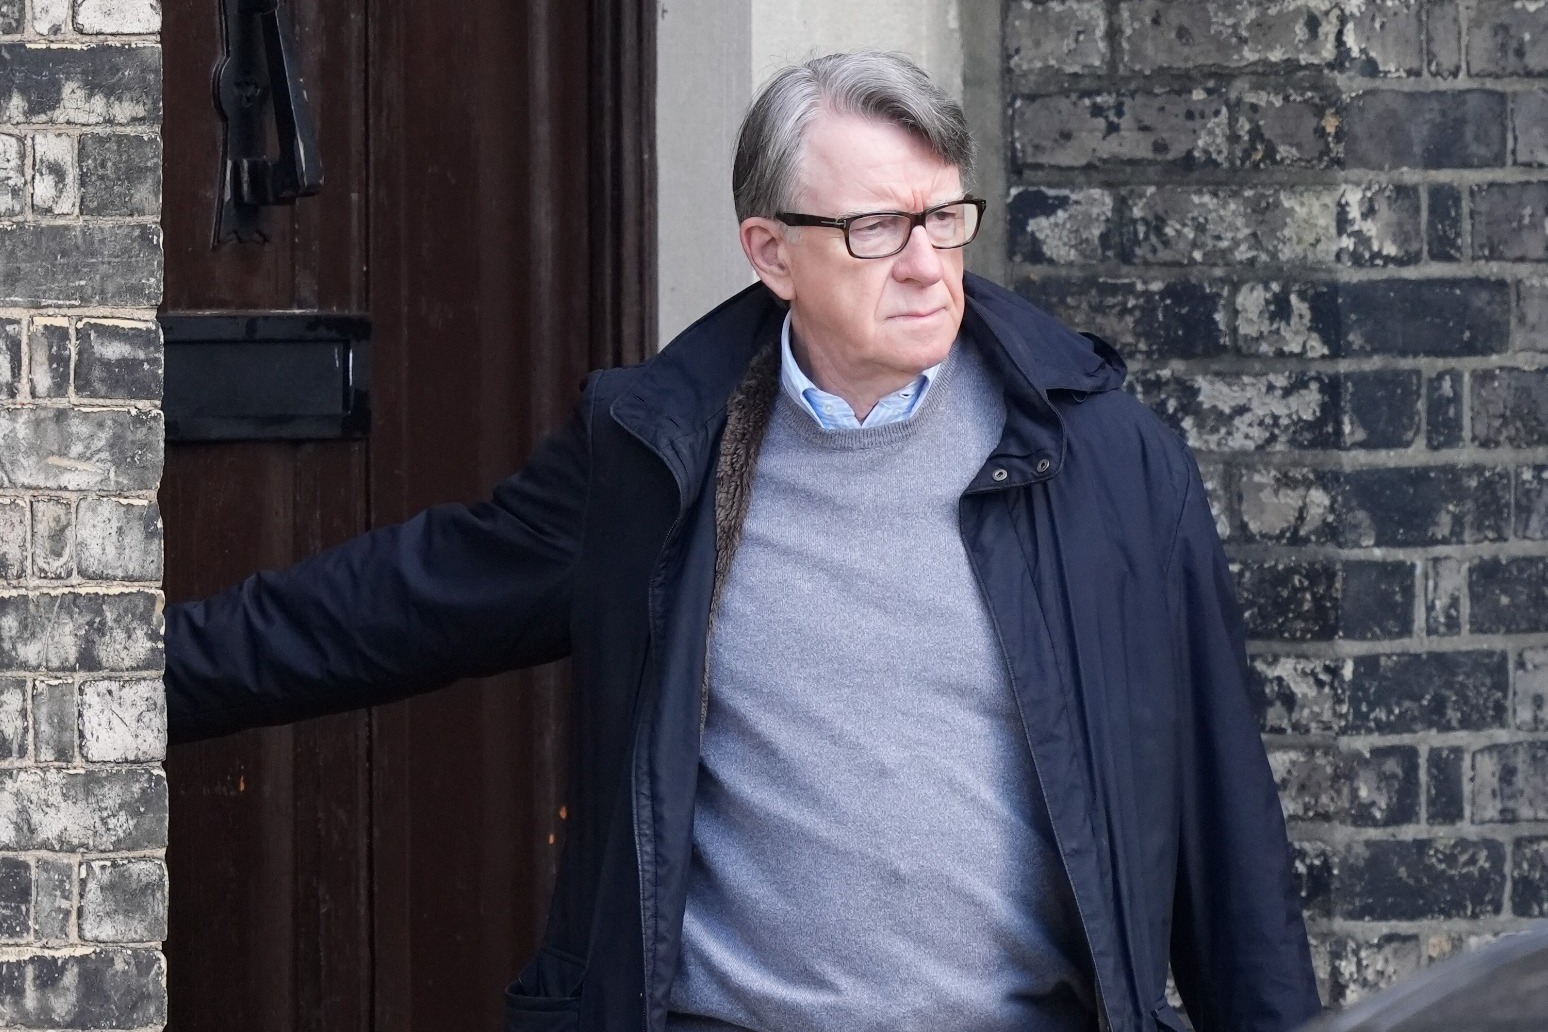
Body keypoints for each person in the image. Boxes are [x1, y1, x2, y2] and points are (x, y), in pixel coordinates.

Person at [165, 51, 1321, 1032]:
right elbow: (400, 604)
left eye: (942, 217)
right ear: (771, 253)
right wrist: (117, 683)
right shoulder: (659, 458)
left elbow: (1225, 825)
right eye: (876, 228)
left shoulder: (1105, 461)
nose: (926, 264)